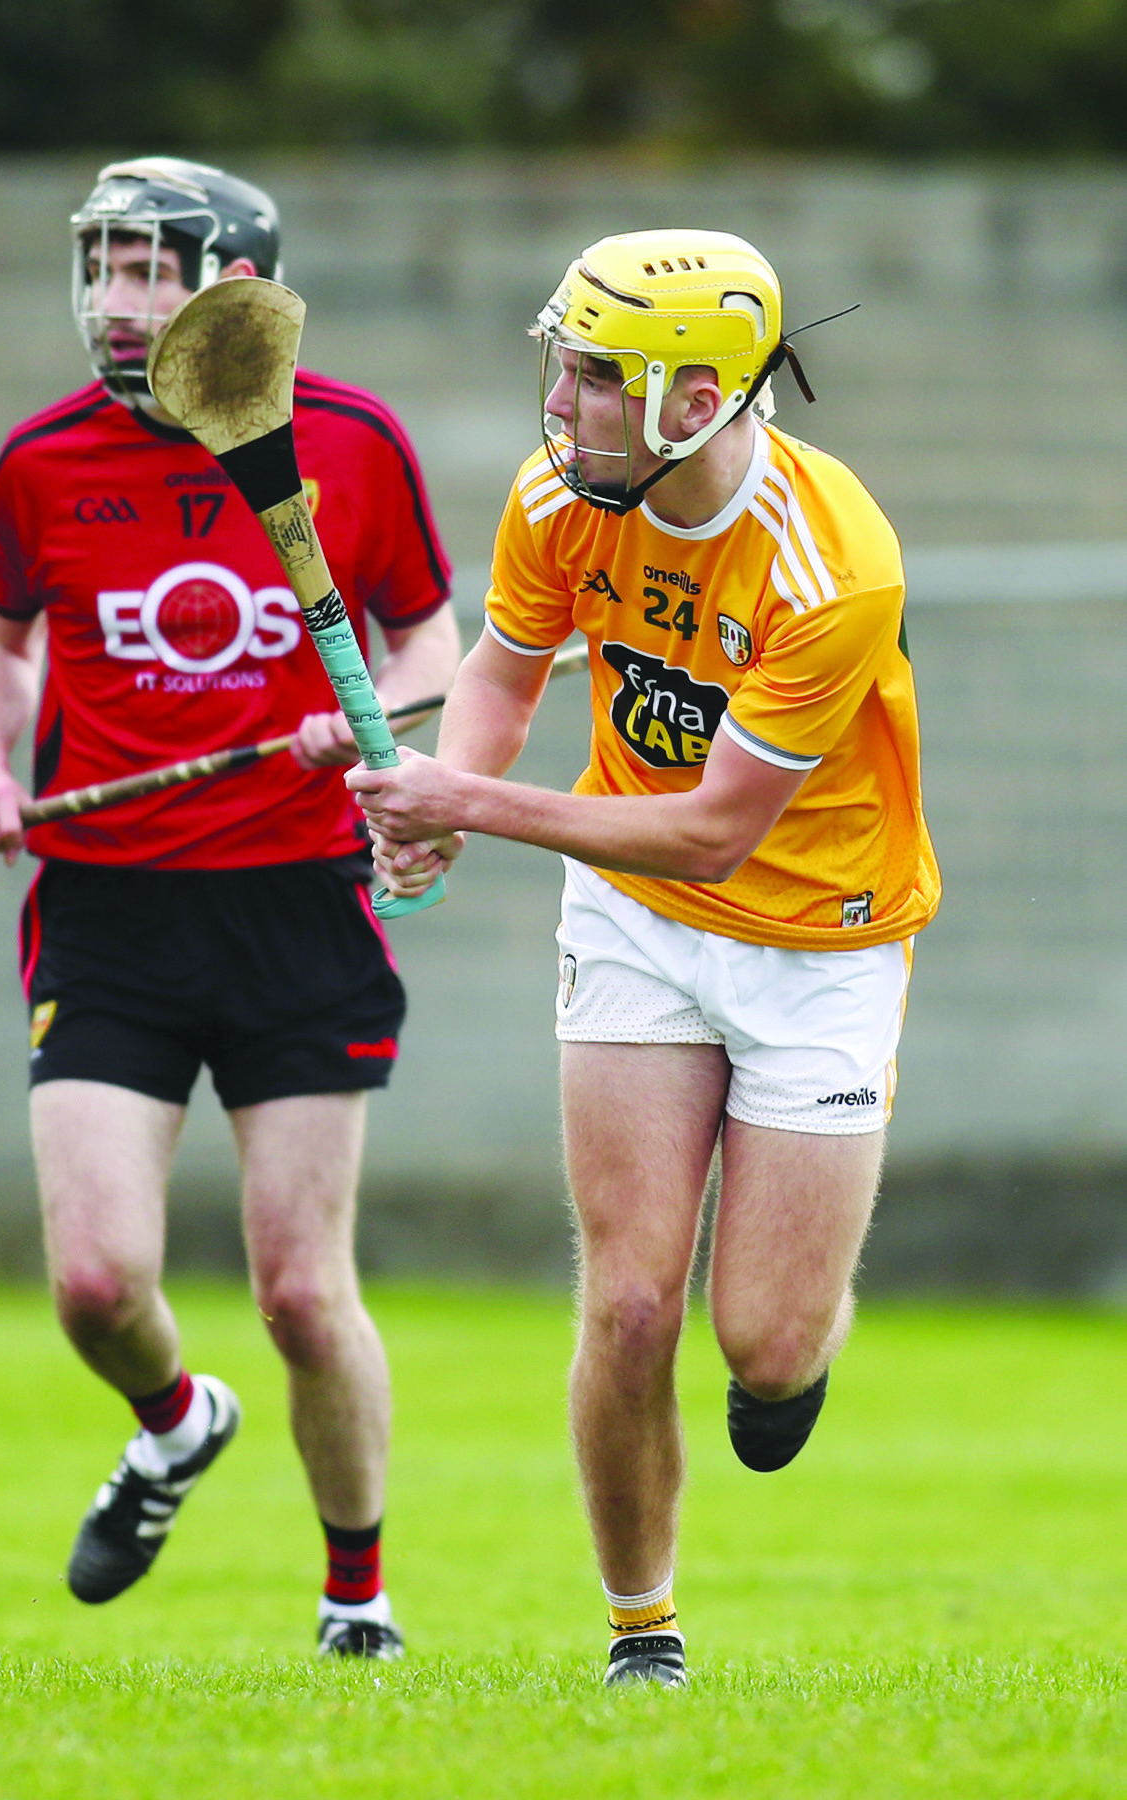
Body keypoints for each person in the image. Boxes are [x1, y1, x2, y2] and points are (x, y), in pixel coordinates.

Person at [346, 230, 939, 1687]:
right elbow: (499, 668)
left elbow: (720, 832)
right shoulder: (560, 493)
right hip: (635, 916)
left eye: (602, 375)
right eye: (567, 360)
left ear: (696, 399)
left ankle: (796, 1351)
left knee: (765, 1345)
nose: (565, 400)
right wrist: (447, 818)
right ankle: (641, 1630)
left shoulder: (830, 563)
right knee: (625, 1300)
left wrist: (465, 799)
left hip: (820, 939)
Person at [0, 158, 459, 1658]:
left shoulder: (351, 444)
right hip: (108, 909)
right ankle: (175, 1423)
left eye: (148, 272)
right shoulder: (40, 460)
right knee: (98, 1283)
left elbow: (433, 638)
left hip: (300, 902)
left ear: (230, 283)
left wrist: (377, 727)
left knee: (304, 1292)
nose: (114, 304)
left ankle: (355, 1601)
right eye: (100, 268)